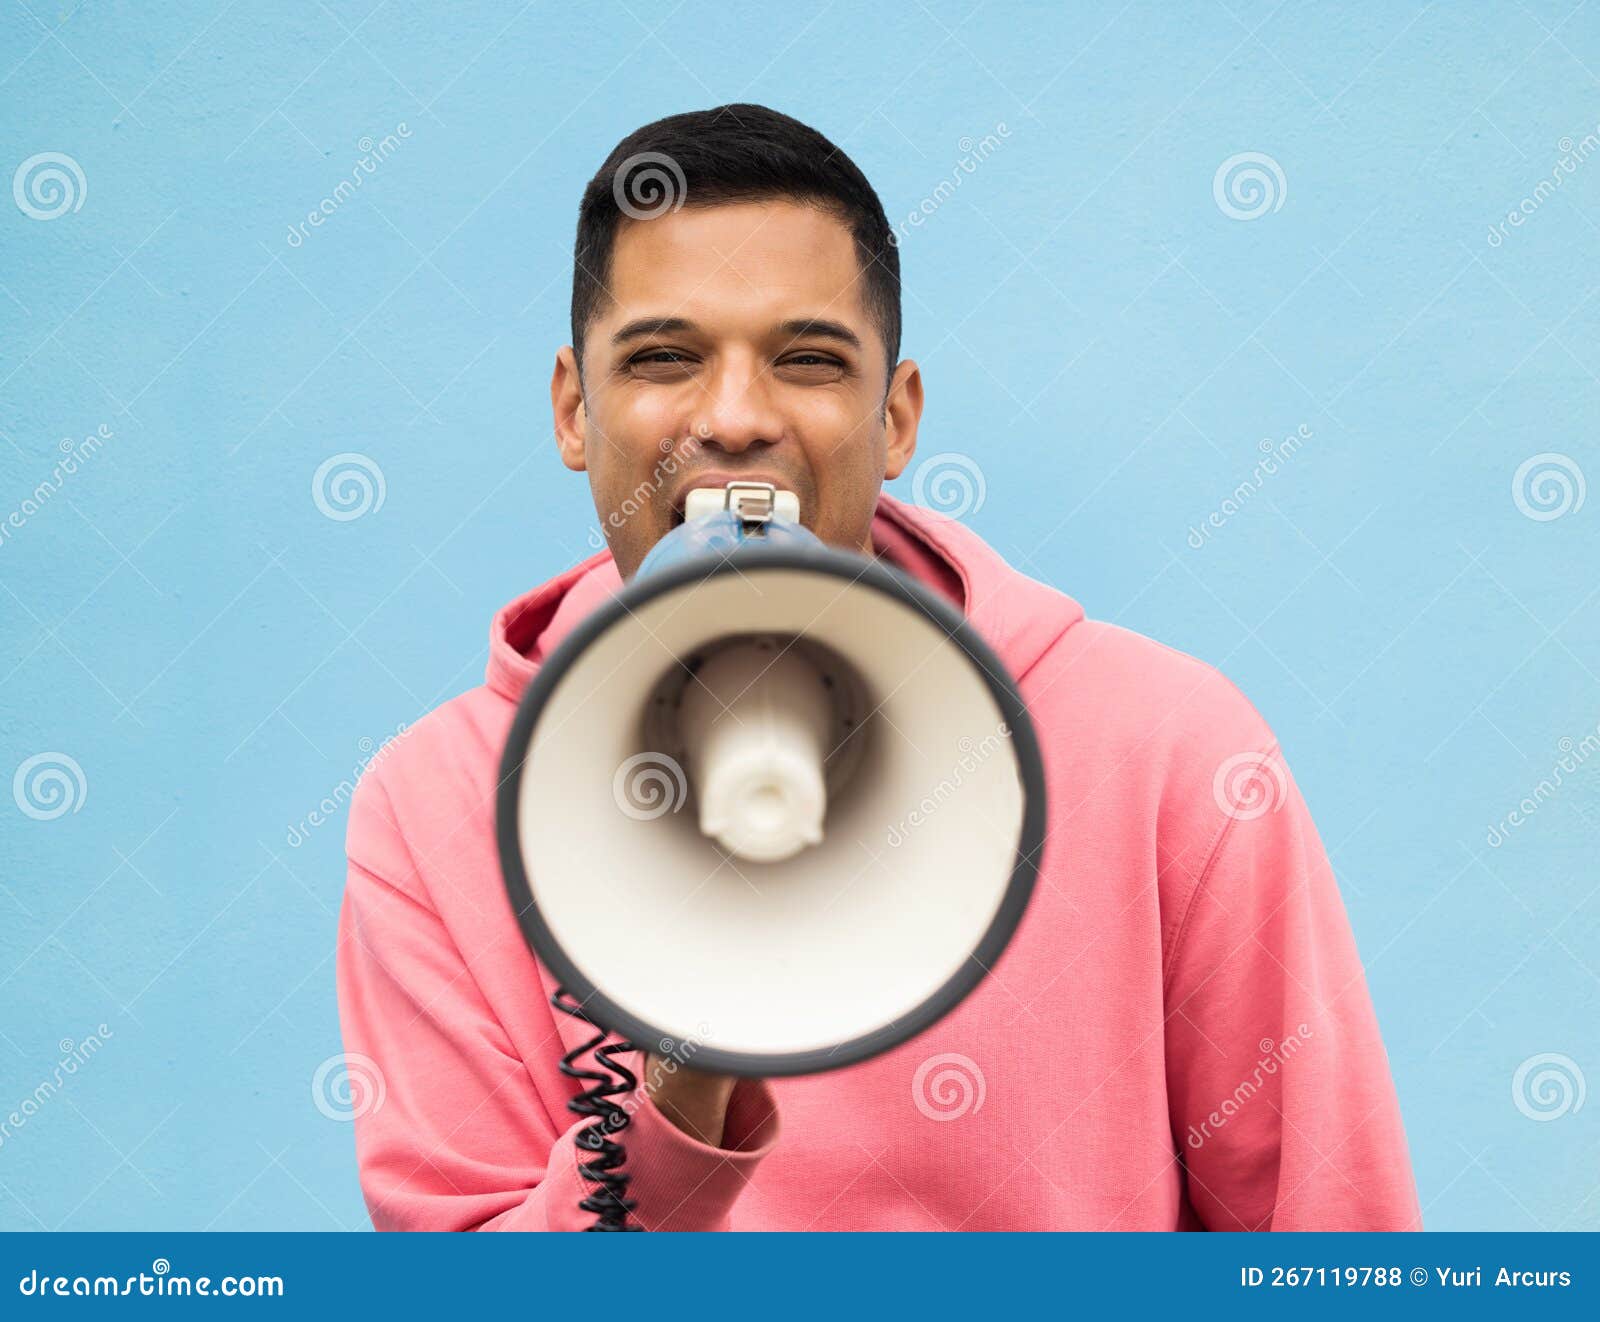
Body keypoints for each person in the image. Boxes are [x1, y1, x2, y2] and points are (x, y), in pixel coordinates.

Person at [335, 103, 1420, 1232]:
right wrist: (674, 1072)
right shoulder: (434, 806)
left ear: (895, 417)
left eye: (807, 361)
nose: (736, 417)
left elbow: (1334, 1244)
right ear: (574, 408)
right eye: (665, 357)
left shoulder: (1165, 748)